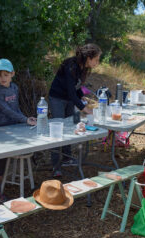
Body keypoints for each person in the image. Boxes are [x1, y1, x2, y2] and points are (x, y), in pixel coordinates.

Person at [48, 43, 101, 177]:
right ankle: (55, 165)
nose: (97, 62)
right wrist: (86, 109)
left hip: (69, 99)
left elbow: (75, 88)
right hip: (57, 98)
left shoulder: (83, 67)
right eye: (96, 59)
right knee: (58, 130)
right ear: (89, 57)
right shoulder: (70, 66)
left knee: (70, 127)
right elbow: (71, 91)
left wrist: (81, 96)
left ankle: (66, 158)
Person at [0, 59, 37, 201]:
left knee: (2, 159)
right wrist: (24, 120)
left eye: (6, 74)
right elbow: (6, 110)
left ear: (12, 74)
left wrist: (26, 119)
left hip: (11, 129)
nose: (3, 78)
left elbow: (15, 109)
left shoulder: (14, 88)